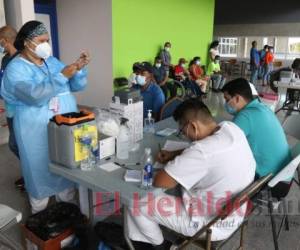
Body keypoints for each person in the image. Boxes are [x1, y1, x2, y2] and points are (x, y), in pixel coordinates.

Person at [125, 98, 256, 249]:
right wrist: (176, 154)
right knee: (173, 190)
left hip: (210, 224)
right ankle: (144, 240)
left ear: (192, 126)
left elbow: (161, 181)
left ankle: (158, 245)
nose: (184, 136)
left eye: (182, 131)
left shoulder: (202, 152)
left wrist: (180, 158)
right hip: (236, 213)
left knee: (136, 201)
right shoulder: (230, 128)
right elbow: (201, 150)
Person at [1, 21, 90, 213]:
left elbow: (76, 86)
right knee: (39, 169)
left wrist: (78, 69)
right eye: (42, 40)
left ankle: (68, 216)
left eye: (47, 40)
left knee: (64, 166)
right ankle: (40, 219)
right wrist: (62, 76)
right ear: (26, 42)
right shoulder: (15, 69)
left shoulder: (52, 61)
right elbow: (34, 95)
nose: (46, 44)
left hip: (63, 126)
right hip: (34, 129)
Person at [222, 78, 291, 177]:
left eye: (227, 99)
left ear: (237, 98)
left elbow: (222, 146)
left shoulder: (245, 116)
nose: (226, 104)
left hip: (268, 183)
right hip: (284, 174)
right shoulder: (263, 107)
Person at [0, 25, 25, 190]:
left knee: (17, 145)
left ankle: (32, 174)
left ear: (5, 40)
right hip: (9, 108)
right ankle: (29, 173)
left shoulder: (22, 58)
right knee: (16, 145)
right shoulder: (4, 59)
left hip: (21, 110)